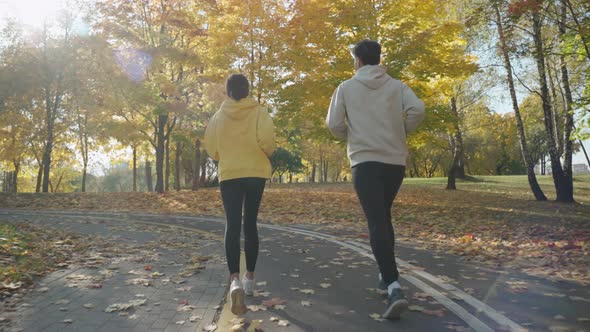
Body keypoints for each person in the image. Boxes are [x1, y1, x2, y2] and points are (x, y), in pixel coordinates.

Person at [326, 39, 425, 319]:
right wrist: (400, 131)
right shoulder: (398, 86)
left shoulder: (345, 88)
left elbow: (333, 124)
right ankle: (385, 276)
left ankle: (394, 287)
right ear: (378, 59)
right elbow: (419, 110)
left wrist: (355, 134)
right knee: (383, 218)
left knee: (377, 221)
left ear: (357, 60)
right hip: (394, 163)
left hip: (365, 162)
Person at [204, 74, 276, 315]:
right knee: (251, 223)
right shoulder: (260, 113)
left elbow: (212, 150)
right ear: (247, 90)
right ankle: (250, 280)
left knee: (232, 225)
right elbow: (268, 143)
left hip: (230, 173)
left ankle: (234, 279)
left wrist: (227, 153)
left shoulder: (217, 118)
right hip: (255, 173)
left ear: (227, 92)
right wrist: (260, 152)